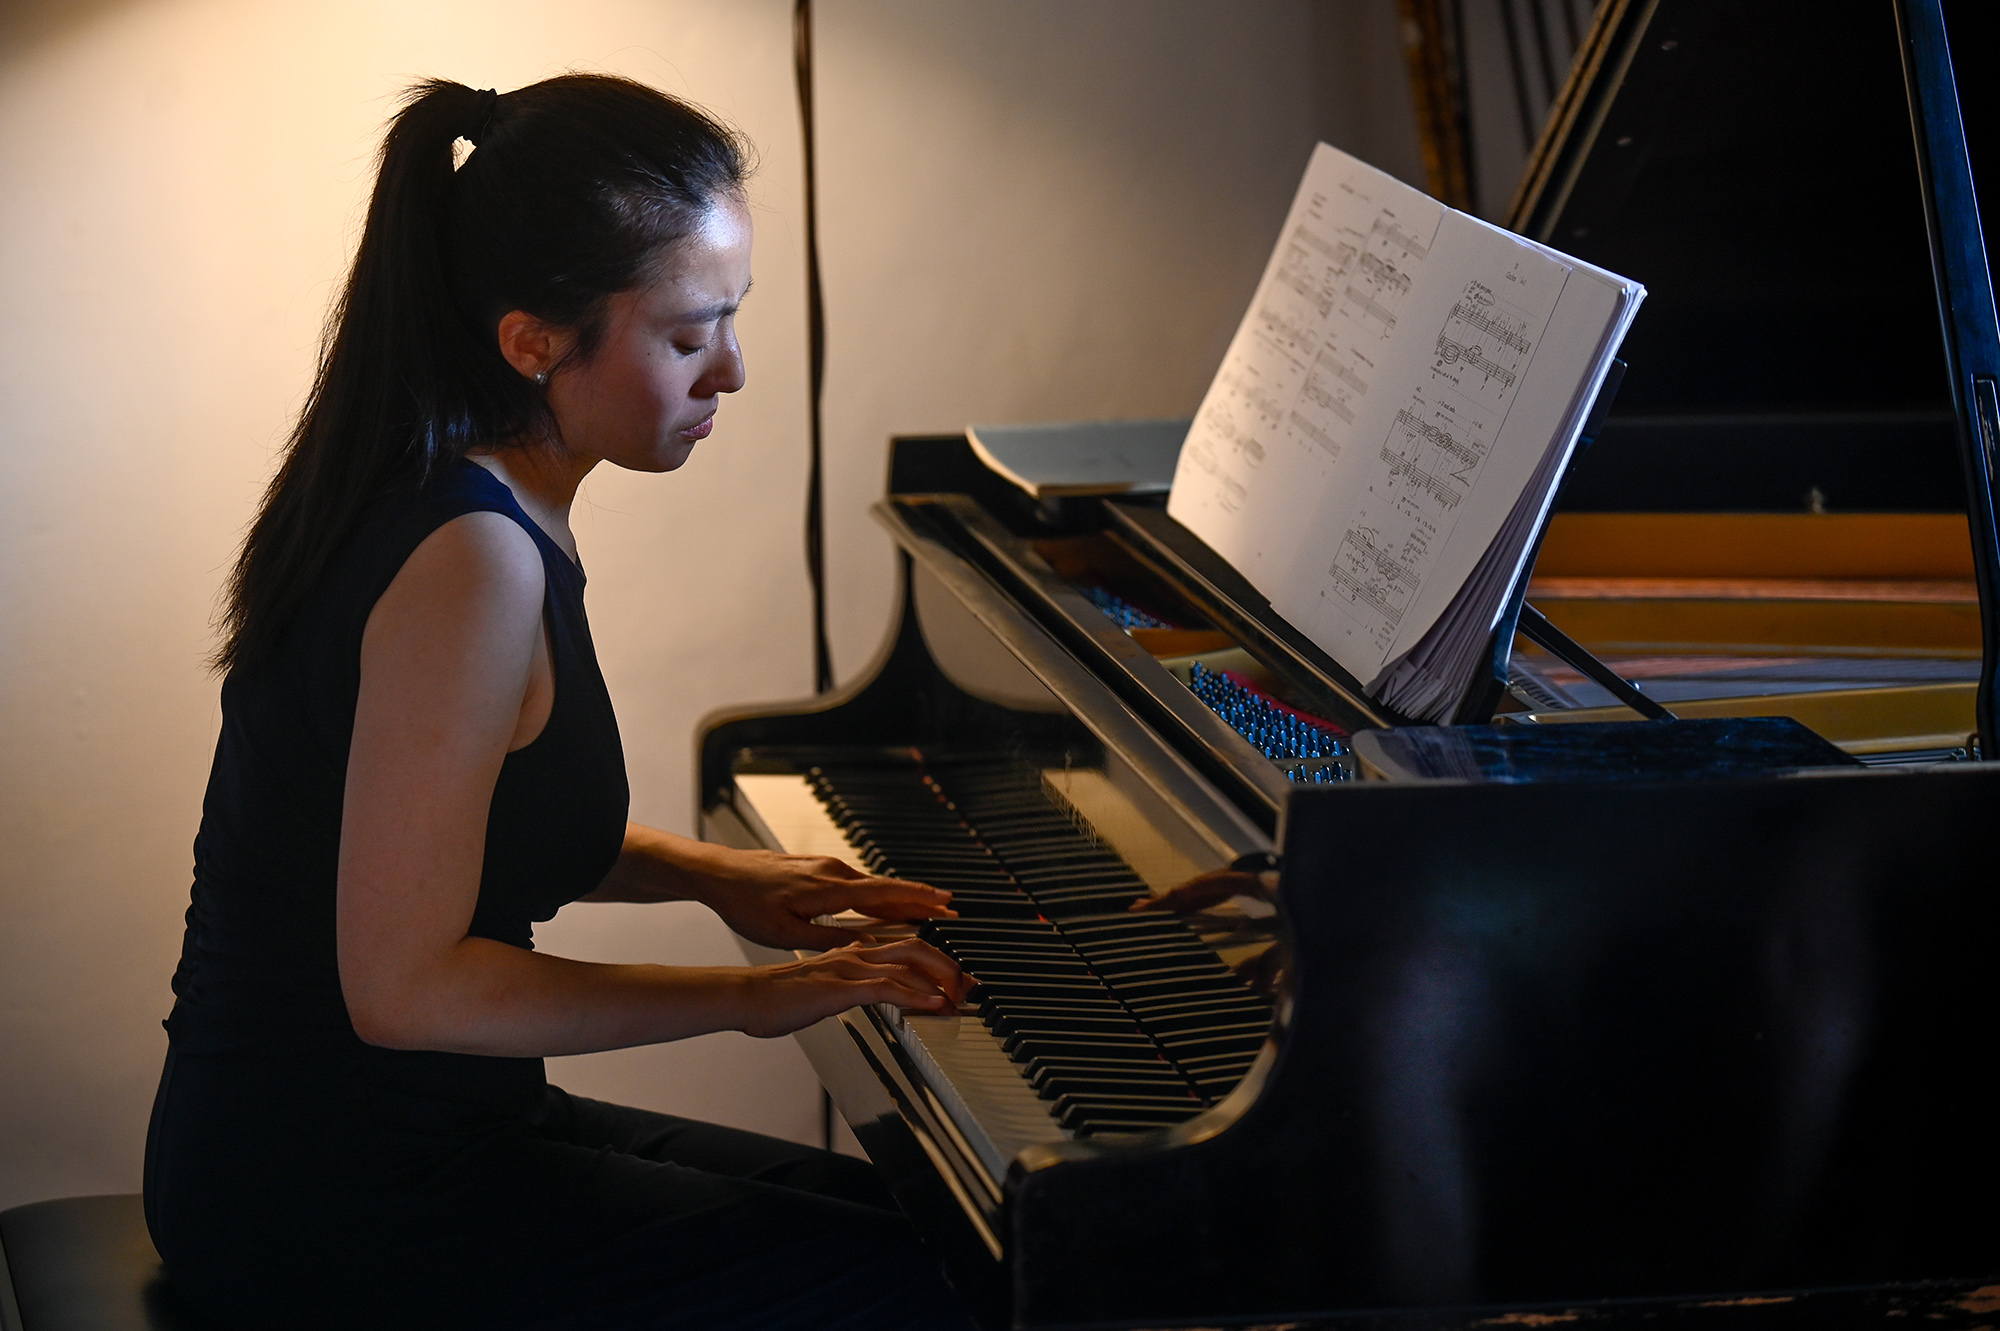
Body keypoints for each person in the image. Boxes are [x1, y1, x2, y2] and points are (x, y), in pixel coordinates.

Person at [143, 75, 979, 1331]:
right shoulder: (468, 559)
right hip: (329, 1190)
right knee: (945, 1289)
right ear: (535, 340)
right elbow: (408, 988)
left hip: (430, 1131)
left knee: (947, 1237)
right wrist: (750, 999)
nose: (732, 371)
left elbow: (454, 825)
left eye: (731, 321)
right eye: (689, 335)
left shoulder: (450, 485)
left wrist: (717, 876)